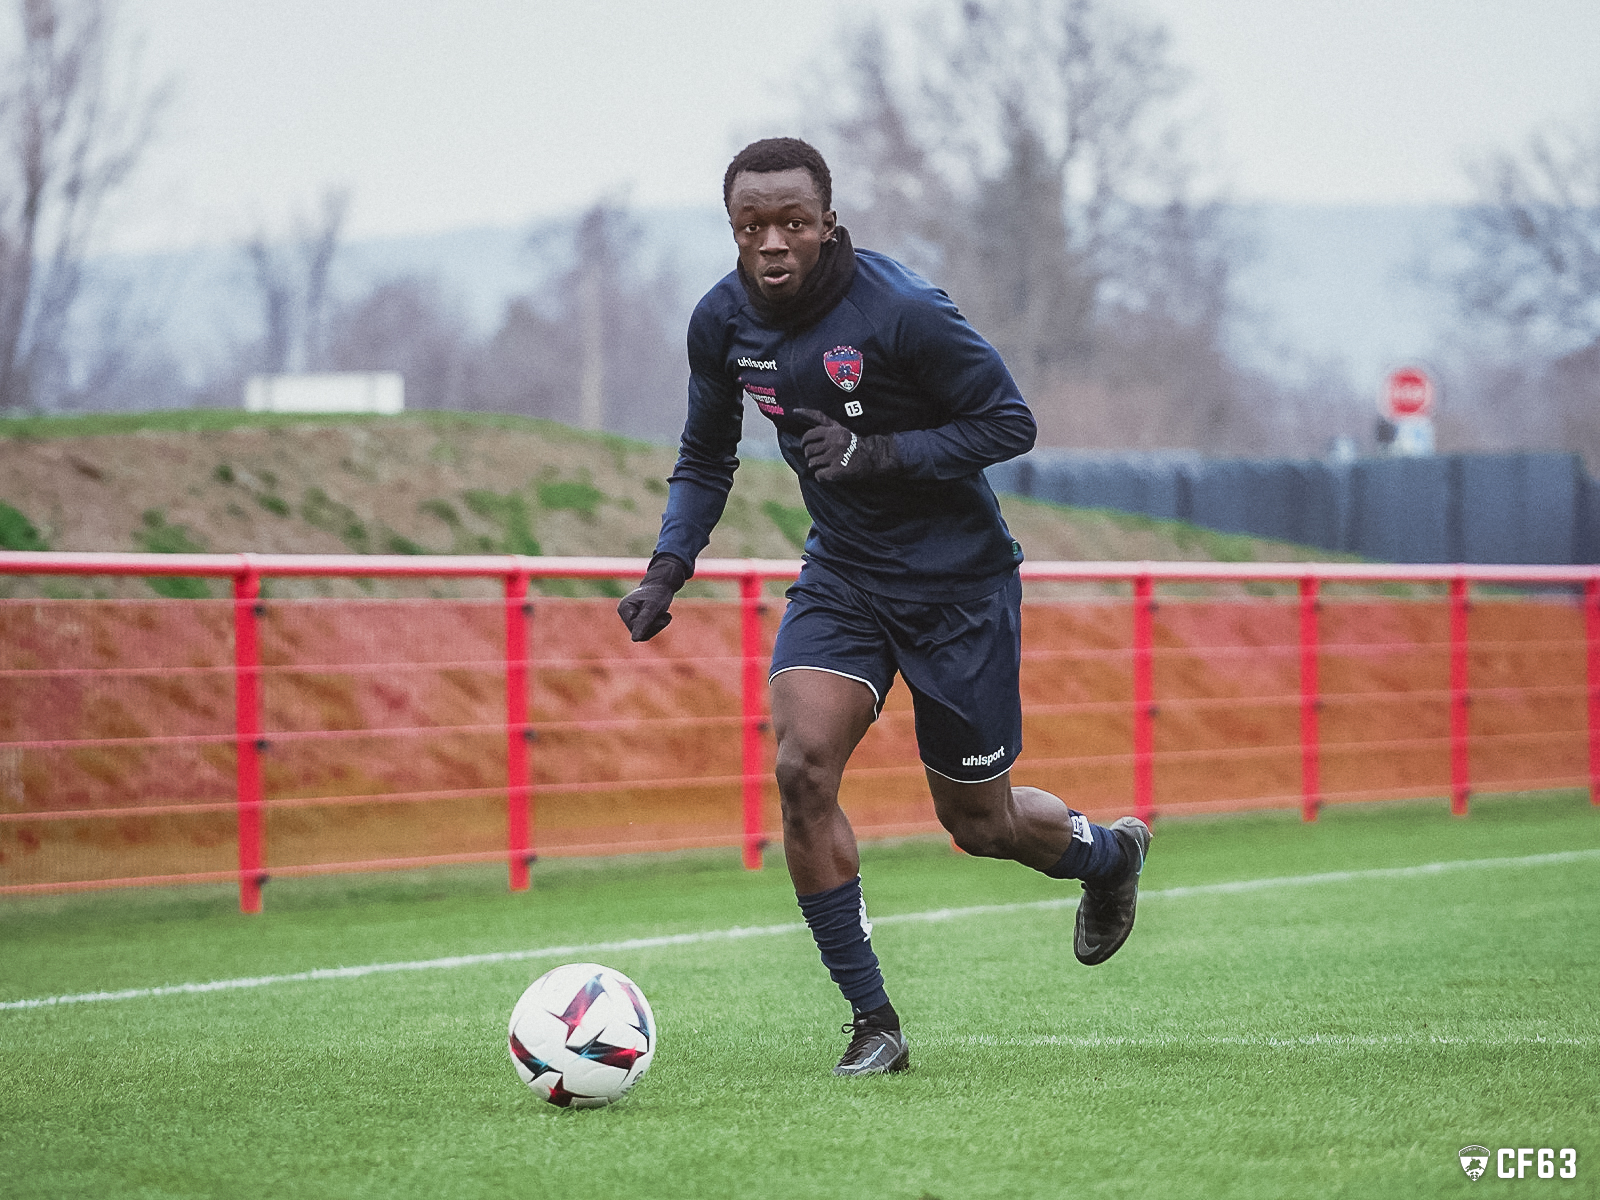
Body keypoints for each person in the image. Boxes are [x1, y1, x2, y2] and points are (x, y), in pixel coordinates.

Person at [618, 137, 1151, 1076]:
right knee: (801, 769)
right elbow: (707, 455)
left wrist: (882, 456)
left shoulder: (902, 311)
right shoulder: (722, 324)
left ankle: (1106, 857)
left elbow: (1009, 423)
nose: (772, 242)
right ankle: (874, 1022)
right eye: (752, 226)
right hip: (845, 579)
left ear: (829, 225)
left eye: (792, 222)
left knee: (978, 825)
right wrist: (669, 567)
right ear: (733, 230)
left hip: (958, 590)